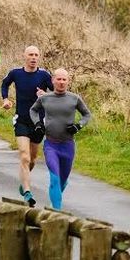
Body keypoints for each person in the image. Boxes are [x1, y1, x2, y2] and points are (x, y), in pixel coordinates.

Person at [29, 69, 91, 210]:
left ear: (68, 81)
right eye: (59, 79)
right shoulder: (45, 98)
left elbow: (87, 115)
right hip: (51, 145)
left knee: (62, 181)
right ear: (53, 80)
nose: (61, 82)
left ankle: (53, 206)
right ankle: (56, 212)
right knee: (55, 179)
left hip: (68, 146)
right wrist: (38, 123)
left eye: (64, 79)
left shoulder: (74, 98)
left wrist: (78, 126)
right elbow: (33, 110)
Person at [1, 46, 53, 207]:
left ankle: (23, 182)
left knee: (32, 160)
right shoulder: (16, 73)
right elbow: (5, 84)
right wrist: (5, 100)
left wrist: (47, 95)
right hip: (22, 120)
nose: (33, 57)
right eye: (30, 54)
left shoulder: (44, 75)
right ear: (24, 56)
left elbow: (57, 93)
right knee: (24, 156)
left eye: (36, 55)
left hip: (38, 123)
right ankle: (28, 191)